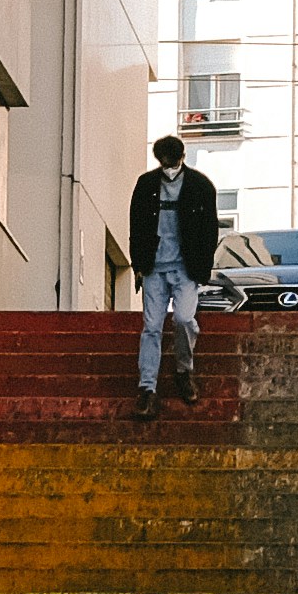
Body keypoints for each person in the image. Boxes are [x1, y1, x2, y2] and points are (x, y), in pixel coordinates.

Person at [128, 133, 219, 417]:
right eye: (163, 163)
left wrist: (203, 268)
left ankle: (184, 370)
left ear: (181, 158)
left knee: (183, 319)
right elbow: (136, 228)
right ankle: (147, 389)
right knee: (152, 326)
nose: (168, 168)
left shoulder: (201, 186)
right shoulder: (145, 185)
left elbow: (210, 230)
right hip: (154, 266)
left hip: (185, 267)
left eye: (172, 162)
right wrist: (138, 265)